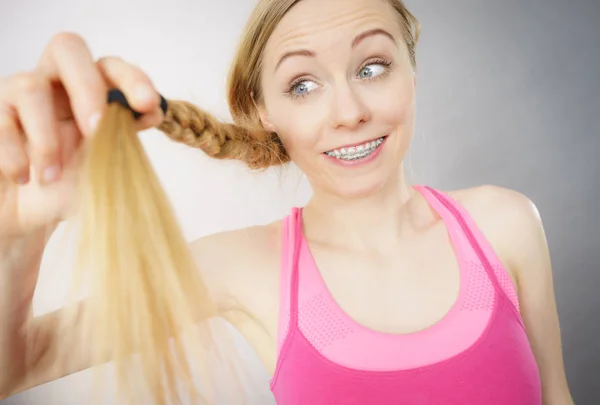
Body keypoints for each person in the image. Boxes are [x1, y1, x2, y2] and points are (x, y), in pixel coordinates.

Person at [0, 0, 575, 403]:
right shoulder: (243, 266)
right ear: (264, 110)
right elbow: (14, 368)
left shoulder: (506, 224)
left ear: (412, 72)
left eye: (372, 67)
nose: (349, 111)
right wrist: (26, 226)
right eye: (303, 84)